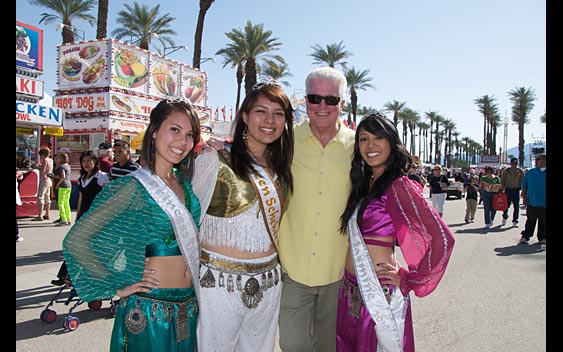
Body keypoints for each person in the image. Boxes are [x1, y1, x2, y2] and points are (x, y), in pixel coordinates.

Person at [63, 98, 204, 351]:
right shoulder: (133, 187)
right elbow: (77, 240)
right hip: (149, 310)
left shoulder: (184, 185)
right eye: (174, 129)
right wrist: (116, 283)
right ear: (154, 132)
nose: (182, 141)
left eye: (189, 134)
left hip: (187, 306)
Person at [336, 113, 455, 352]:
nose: (370, 145)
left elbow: (443, 239)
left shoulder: (398, 186)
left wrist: (410, 278)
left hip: (377, 294)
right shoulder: (364, 184)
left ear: (392, 142)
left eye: (378, 137)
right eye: (363, 139)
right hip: (349, 292)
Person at [194, 80, 294, 351]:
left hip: (269, 281)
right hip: (217, 281)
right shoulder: (214, 158)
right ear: (246, 116)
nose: (269, 120)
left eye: (278, 114)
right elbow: (185, 215)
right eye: (261, 111)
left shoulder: (282, 169)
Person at [278, 67, 355, 352]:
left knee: (330, 348)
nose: (322, 106)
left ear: (342, 104)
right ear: (305, 101)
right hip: (292, 272)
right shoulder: (284, 143)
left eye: (331, 100)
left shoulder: (357, 148)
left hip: (338, 276)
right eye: (314, 98)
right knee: (293, 345)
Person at [51, 150, 110, 287]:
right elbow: (81, 198)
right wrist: (77, 216)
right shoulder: (82, 178)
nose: (87, 164)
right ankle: (66, 275)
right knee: (72, 244)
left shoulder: (101, 177)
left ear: (95, 162)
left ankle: (72, 276)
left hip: (97, 217)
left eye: (90, 161)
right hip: (84, 215)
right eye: (84, 161)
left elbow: (108, 197)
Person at [518, 154, 546, 245]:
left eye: (543, 159)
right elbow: (524, 185)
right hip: (532, 201)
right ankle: (526, 236)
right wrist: (524, 197)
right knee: (531, 220)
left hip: (544, 203)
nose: (542, 161)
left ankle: (542, 237)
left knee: (543, 221)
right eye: (539, 160)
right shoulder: (530, 172)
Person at [500, 157, 525, 227]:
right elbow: (503, 181)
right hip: (508, 189)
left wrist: (523, 191)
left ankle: (515, 220)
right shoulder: (506, 171)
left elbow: (523, 181)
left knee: (516, 206)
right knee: (506, 205)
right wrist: (501, 190)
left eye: (516, 163)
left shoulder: (520, 171)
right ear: (510, 164)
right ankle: (505, 216)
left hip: (516, 190)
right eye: (513, 163)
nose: (514, 165)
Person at [31, 147, 54, 221]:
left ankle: (39, 216)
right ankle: (47, 214)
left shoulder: (45, 160)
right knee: (47, 197)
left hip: (44, 180)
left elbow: (43, 170)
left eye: (41, 155)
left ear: (43, 154)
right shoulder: (51, 160)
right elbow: (48, 169)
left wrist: (37, 167)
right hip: (49, 180)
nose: (40, 157)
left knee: (40, 197)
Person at [52, 152, 72, 226]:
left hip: (62, 185)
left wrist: (57, 184)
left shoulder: (61, 167)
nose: (56, 159)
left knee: (61, 203)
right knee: (66, 203)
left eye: (58, 158)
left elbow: (62, 177)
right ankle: (68, 218)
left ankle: (63, 219)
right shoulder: (68, 166)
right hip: (69, 185)